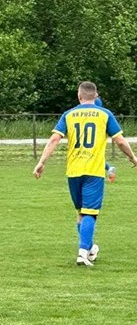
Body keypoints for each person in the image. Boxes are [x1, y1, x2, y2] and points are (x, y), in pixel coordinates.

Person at [33, 81, 137, 266]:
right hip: (94, 171)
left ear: (79, 95)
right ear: (95, 96)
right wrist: (133, 158)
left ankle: (89, 248)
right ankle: (82, 253)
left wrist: (41, 162)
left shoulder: (69, 114)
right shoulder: (105, 114)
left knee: (81, 213)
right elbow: (120, 141)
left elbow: (54, 139)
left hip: (73, 171)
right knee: (90, 213)